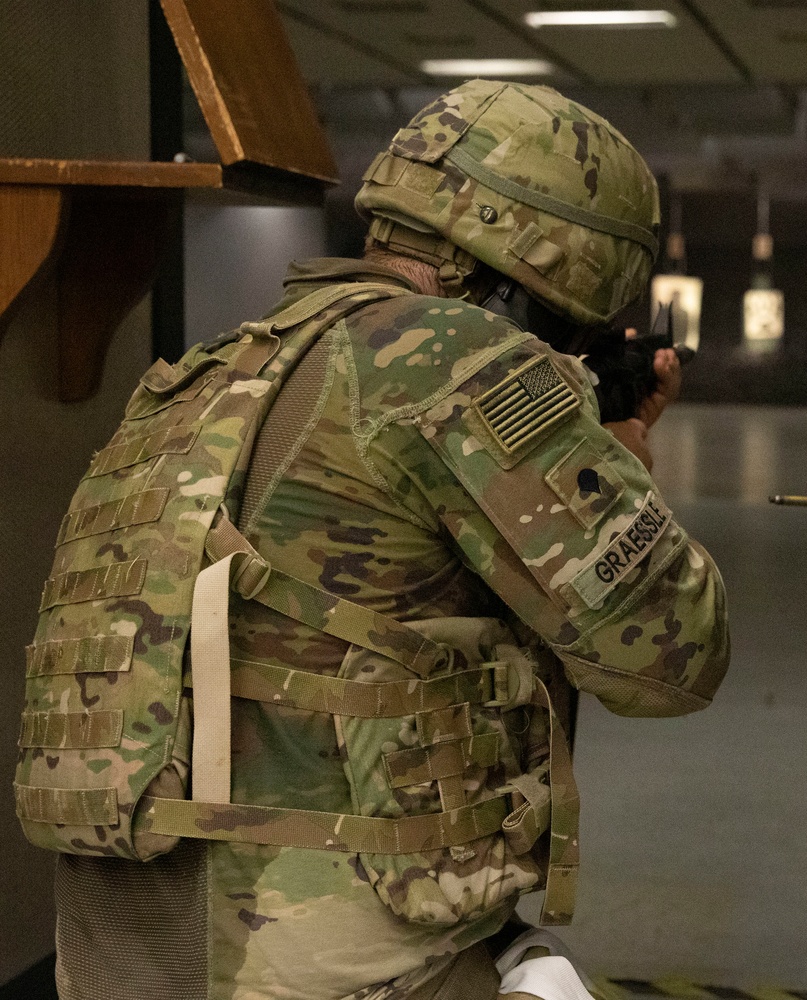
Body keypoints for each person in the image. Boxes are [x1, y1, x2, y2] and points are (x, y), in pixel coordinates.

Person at [49, 80, 730, 1000]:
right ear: (565, 260)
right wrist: (624, 467)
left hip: (111, 959)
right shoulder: (459, 359)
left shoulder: (207, 373)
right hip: (313, 971)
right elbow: (675, 656)